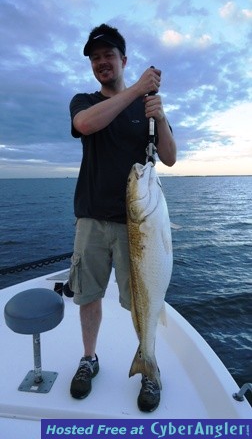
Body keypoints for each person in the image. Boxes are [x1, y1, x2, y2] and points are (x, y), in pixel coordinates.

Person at [69, 23, 176, 412]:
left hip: (137, 225)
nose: (101, 63)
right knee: (88, 295)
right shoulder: (84, 101)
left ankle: (149, 366)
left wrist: (160, 117)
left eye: (108, 55)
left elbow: (169, 157)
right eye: (95, 58)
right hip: (92, 220)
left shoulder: (144, 107)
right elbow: (85, 125)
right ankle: (89, 358)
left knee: (142, 299)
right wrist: (135, 90)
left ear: (123, 59)